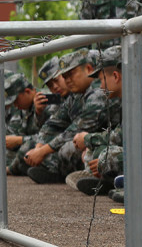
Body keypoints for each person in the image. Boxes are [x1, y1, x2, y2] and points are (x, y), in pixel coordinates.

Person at [72, 45, 142, 196]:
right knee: (101, 153)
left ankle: (130, 182)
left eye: (140, 65)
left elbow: (122, 137)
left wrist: (88, 139)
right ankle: (117, 180)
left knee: (109, 155)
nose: (100, 86)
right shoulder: (138, 96)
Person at [23, 48, 106, 184]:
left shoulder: (98, 92)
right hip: (90, 141)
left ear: (89, 69)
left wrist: (42, 151)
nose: (67, 81)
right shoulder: (76, 95)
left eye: (71, 74)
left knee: (69, 149)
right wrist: (39, 148)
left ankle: (101, 181)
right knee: (40, 150)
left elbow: (76, 129)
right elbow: (53, 123)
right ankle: (58, 173)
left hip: (105, 141)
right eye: (65, 76)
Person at [10, 56, 64, 176]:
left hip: (71, 142)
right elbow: (50, 126)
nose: (54, 87)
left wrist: (39, 149)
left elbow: (66, 130)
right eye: (50, 85)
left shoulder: (52, 99)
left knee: (64, 150)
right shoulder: (54, 99)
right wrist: (39, 113)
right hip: (49, 142)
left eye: (56, 80)